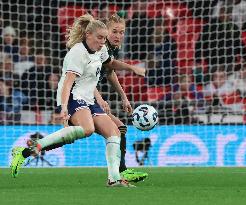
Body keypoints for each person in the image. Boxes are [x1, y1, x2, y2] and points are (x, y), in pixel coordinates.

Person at [10, 14, 145, 187]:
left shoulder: (101, 49)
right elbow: (68, 83)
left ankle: (114, 178)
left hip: (88, 97)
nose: (103, 42)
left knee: (115, 131)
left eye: (105, 38)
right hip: (73, 96)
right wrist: (64, 107)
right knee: (87, 129)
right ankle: (28, 150)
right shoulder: (77, 53)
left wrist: (132, 68)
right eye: (100, 37)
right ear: (88, 34)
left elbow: (110, 65)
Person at [96, 14, 148, 182]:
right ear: (106, 31)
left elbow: (109, 72)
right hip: (80, 97)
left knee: (119, 129)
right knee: (115, 129)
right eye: (114, 31)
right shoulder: (100, 47)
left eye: (122, 32)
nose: (118, 36)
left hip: (89, 96)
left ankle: (119, 173)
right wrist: (133, 68)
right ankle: (118, 173)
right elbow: (109, 66)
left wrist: (124, 97)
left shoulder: (112, 49)